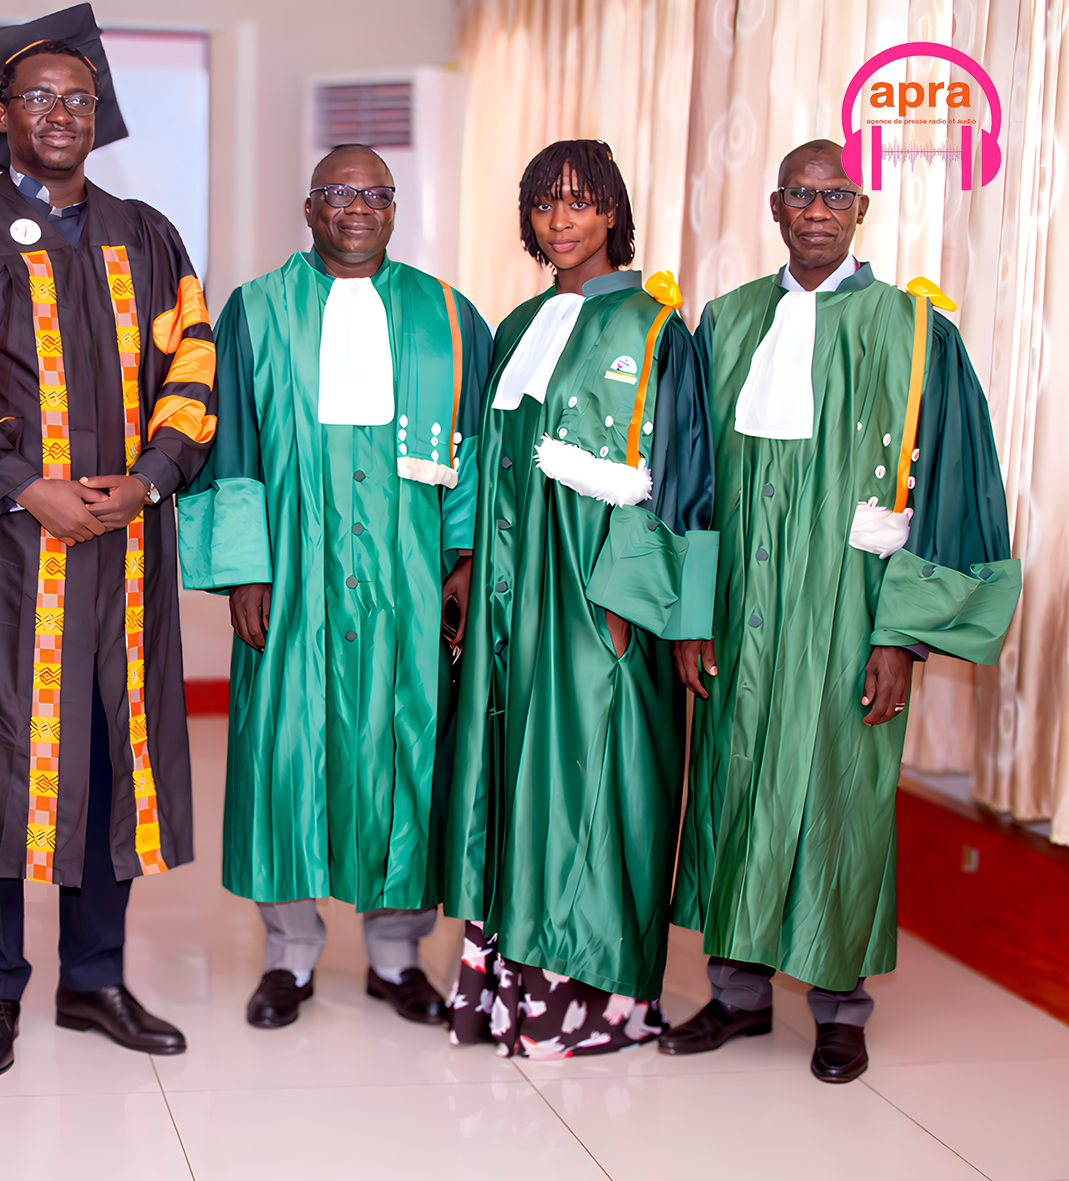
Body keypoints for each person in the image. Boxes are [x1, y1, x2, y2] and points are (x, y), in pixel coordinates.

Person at [662, 139, 1019, 1083]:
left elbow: (949, 489)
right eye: (799, 195)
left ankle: (838, 1008)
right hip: (742, 612)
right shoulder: (726, 321)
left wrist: (901, 634)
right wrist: (692, 612)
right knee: (735, 789)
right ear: (775, 209)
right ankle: (736, 996)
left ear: (860, 208)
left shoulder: (914, 332)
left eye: (835, 195)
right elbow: (688, 484)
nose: (816, 210)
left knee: (841, 797)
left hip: (852, 614)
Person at [0, 4, 215, 1079]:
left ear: (100, 114)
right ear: (0, 115)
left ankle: (94, 979)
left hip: (124, 550)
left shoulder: (146, 232)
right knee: (0, 763)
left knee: (109, 756)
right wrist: (21, 485)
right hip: (9, 549)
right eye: (35, 97)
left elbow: (192, 372)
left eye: (76, 99)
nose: (58, 114)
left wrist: (152, 476)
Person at [177, 144, 490, 1030]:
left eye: (377, 195)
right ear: (309, 208)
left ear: (396, 211)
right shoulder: (256, 310)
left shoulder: (447, 315)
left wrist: (461, 562)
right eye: (340, 193)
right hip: (296, 573)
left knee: (406, 754)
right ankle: (290, 952)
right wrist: (244, 567)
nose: (359, 208)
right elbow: (229, 439)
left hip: (408, 579)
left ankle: (398, 954)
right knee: (287, 756)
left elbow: (473, 454)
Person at [439, 140, 713, 1058]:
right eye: (545, 204)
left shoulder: (655, 325)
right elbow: (491, 463)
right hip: (514, 601)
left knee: (598, 780)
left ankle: (595, 1001)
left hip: (599, 601)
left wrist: (650, 600)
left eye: (581, 203)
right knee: (515, 775)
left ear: (613, 214)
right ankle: (506, 982)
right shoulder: (514, 326)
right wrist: (472, 566)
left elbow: (683, 479)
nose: (562, 221)